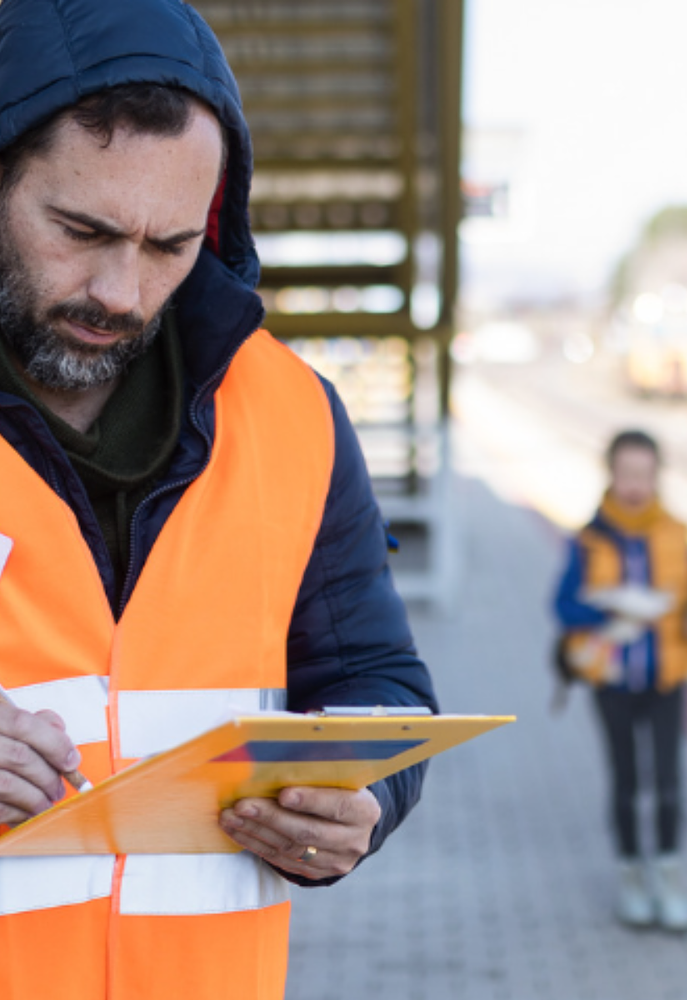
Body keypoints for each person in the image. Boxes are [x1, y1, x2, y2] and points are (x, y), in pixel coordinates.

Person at [0, 1, 436, 998]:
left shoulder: (292, 414)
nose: (120, 290)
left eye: (168, 246)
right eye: (81, 229)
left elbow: (372, 673)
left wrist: (362, 797)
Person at [554, 430, 687, 932]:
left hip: (667, 679)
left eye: (645, 473)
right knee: (626, 781)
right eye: (625, 473)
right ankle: (632, 877)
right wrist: (607, 603)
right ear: (609, 474)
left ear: (658, 476)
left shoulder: (677, 533)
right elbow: (562, 604)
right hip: (612, 681)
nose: (635, 484)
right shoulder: (589, 540)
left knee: (668, 782)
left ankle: (670, 876)